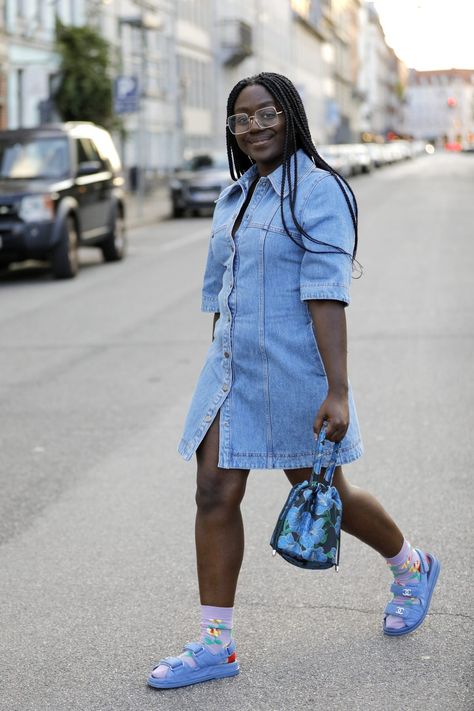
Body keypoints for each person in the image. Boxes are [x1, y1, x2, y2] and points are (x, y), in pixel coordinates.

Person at [147, 72, 440, 690]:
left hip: (296, 368)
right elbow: (223, 294)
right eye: (242, 119)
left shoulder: (319, 191)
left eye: (266, 114)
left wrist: (338, 387)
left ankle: (411, 564)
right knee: (213, 491)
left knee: (321, 488)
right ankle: (215, 642)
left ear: (291, 114)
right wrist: (215, 365)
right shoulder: (239, 194)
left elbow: (327, 292)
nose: (255, 128)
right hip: (232, 368)